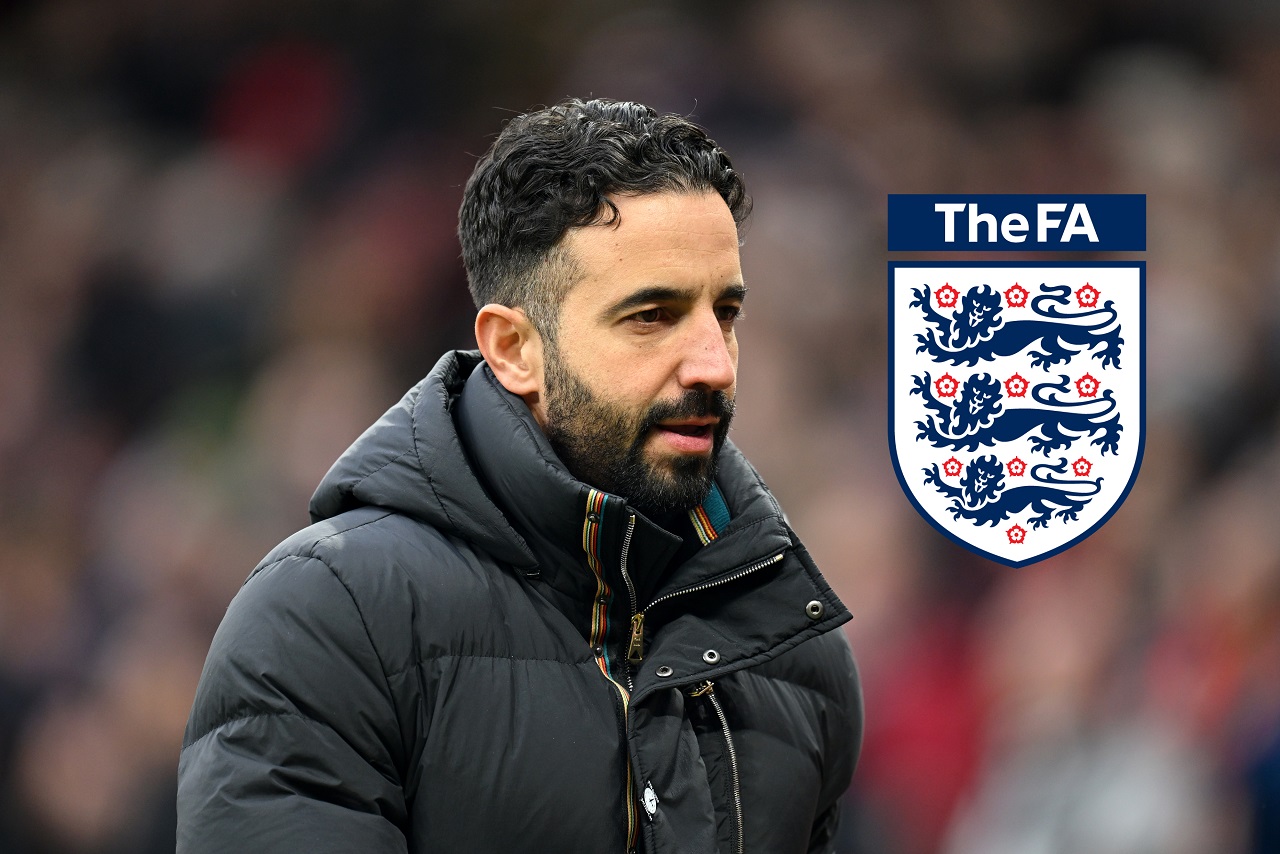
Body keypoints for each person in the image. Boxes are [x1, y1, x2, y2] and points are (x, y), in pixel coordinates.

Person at [177, 97, 862, 854]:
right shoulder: (329, 620)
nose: (713, 363)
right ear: (513, 349)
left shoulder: (796, 646)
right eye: (650, 317)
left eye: (724, 312)